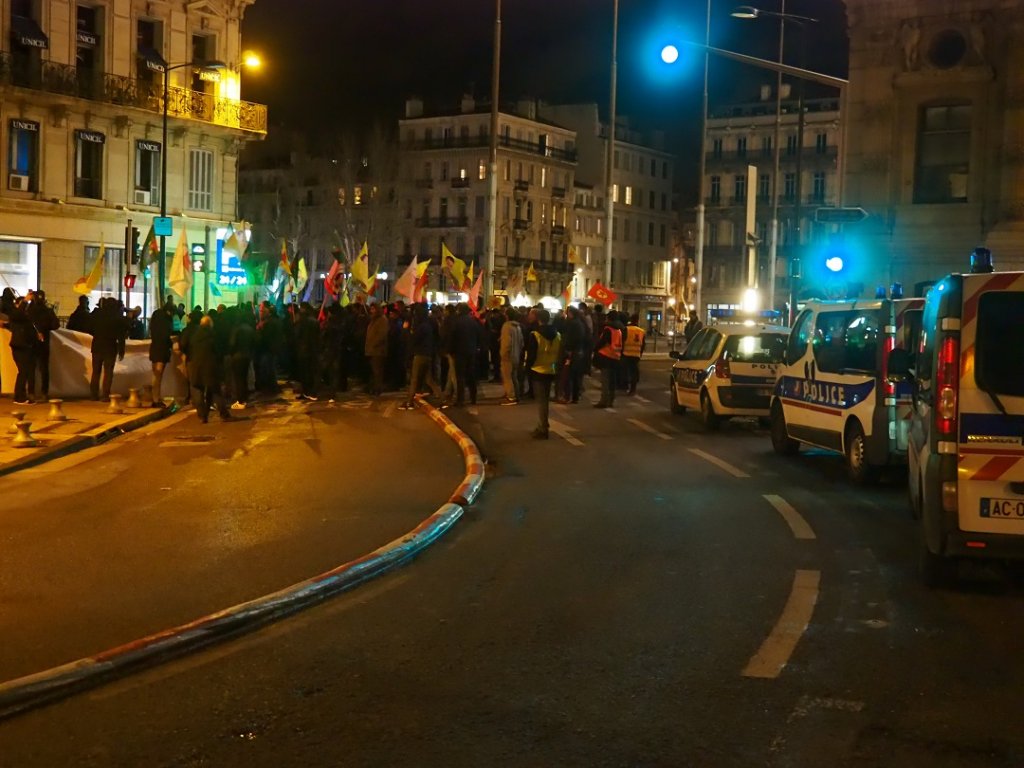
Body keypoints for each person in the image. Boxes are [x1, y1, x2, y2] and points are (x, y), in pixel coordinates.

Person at [180, 314, 231, 423]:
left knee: (197, 390)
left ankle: (202, 415)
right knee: (215, 391)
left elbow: (184, 345)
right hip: (211, 366)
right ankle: (223, 413)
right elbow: (219, 351)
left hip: (196, 365)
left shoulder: (195, 336)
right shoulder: (214, 335)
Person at [523, 307, 561, 439]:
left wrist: (527, 368)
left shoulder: (535, 335)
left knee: (541, 401)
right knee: (545, 400)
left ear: (538, 320)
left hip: (538, 371)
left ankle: (542, 428)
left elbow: (531, 355)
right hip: (551, 370)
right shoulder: (558, 335)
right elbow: (560, 354)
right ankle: (544, 424)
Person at [400, 303, 443, 409]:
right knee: (429, 379)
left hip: (419, 355)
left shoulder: (421, 326)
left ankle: (409, 401)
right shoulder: (428, 325)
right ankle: (442, 399)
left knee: (414, 378)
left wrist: (406, 330)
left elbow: (413, 340)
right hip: (427, 354)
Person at [89, 297, 127, 401]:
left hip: (97, 346)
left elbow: (90, 327)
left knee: (96, 371)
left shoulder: (97, 315)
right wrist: (121, 349)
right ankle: (105, 395)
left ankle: (93, 394)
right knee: (108, 372)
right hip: (110, 347)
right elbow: (121, 335)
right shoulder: (117, 317)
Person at [4, 294, 38, 404]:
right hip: (20, 347)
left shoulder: (23, 316)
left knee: (24, 372)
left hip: (26, 346)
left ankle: (21, 395)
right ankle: (19, 397)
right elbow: (17, 315)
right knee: (23, 372)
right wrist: (25, 301)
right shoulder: (16, 314)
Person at [27, 290, 59, 399]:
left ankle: (31, 392)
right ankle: (44, 392)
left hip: (30, 343)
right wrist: (45, 328)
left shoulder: (28, 311)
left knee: (31, 368)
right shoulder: (48, 311)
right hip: (44, 343)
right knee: (44, 368)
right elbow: (56, 325)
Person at [593, 309, 624, 408]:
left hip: (606, 357)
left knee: (605, 380)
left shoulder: (608, 329)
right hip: (616, 357)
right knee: (612, 381)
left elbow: (602, 342)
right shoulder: (619, 330)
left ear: (609, 318)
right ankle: (611, 400)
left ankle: (604, 401)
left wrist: (595, 349)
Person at [149, 297, 175, 407]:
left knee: (155, 373)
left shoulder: (156, 316)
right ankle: (156, 399)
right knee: (158, 374)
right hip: (162, 349)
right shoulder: (166, 320)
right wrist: (171, 344)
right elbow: (166, 336)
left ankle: (155, 397)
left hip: (154, 347)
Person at [499, 307, 524, 405]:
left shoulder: (506, 326)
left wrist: (502, 354)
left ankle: (511, 397)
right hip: (516, 355)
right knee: (513, 376)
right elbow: (521, 342)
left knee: (507, 377)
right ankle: (516, 395)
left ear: (507, 315)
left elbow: (506, 343)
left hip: (508, 356)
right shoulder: (518, 327)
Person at [364, 302, 389, 395]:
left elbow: (382, 335)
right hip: (371, 350)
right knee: (373, 371)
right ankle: (374, 388)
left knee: (377, 371)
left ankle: (378, 389)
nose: (371, 311)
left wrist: (374, 344)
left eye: (373, 309)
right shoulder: (373, 320)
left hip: (378, 350)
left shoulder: (382, 320)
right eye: (371, 309)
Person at [622, 313, 647, 395]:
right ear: (637, 320)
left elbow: (622, 340)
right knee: (634, 372)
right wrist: (640, 353)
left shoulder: (626, 329)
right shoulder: (641, 331)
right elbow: (643, 344)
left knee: (626, 371)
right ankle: (633, 389)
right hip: (636, 354)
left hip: (626, 353)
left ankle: (625, 386)